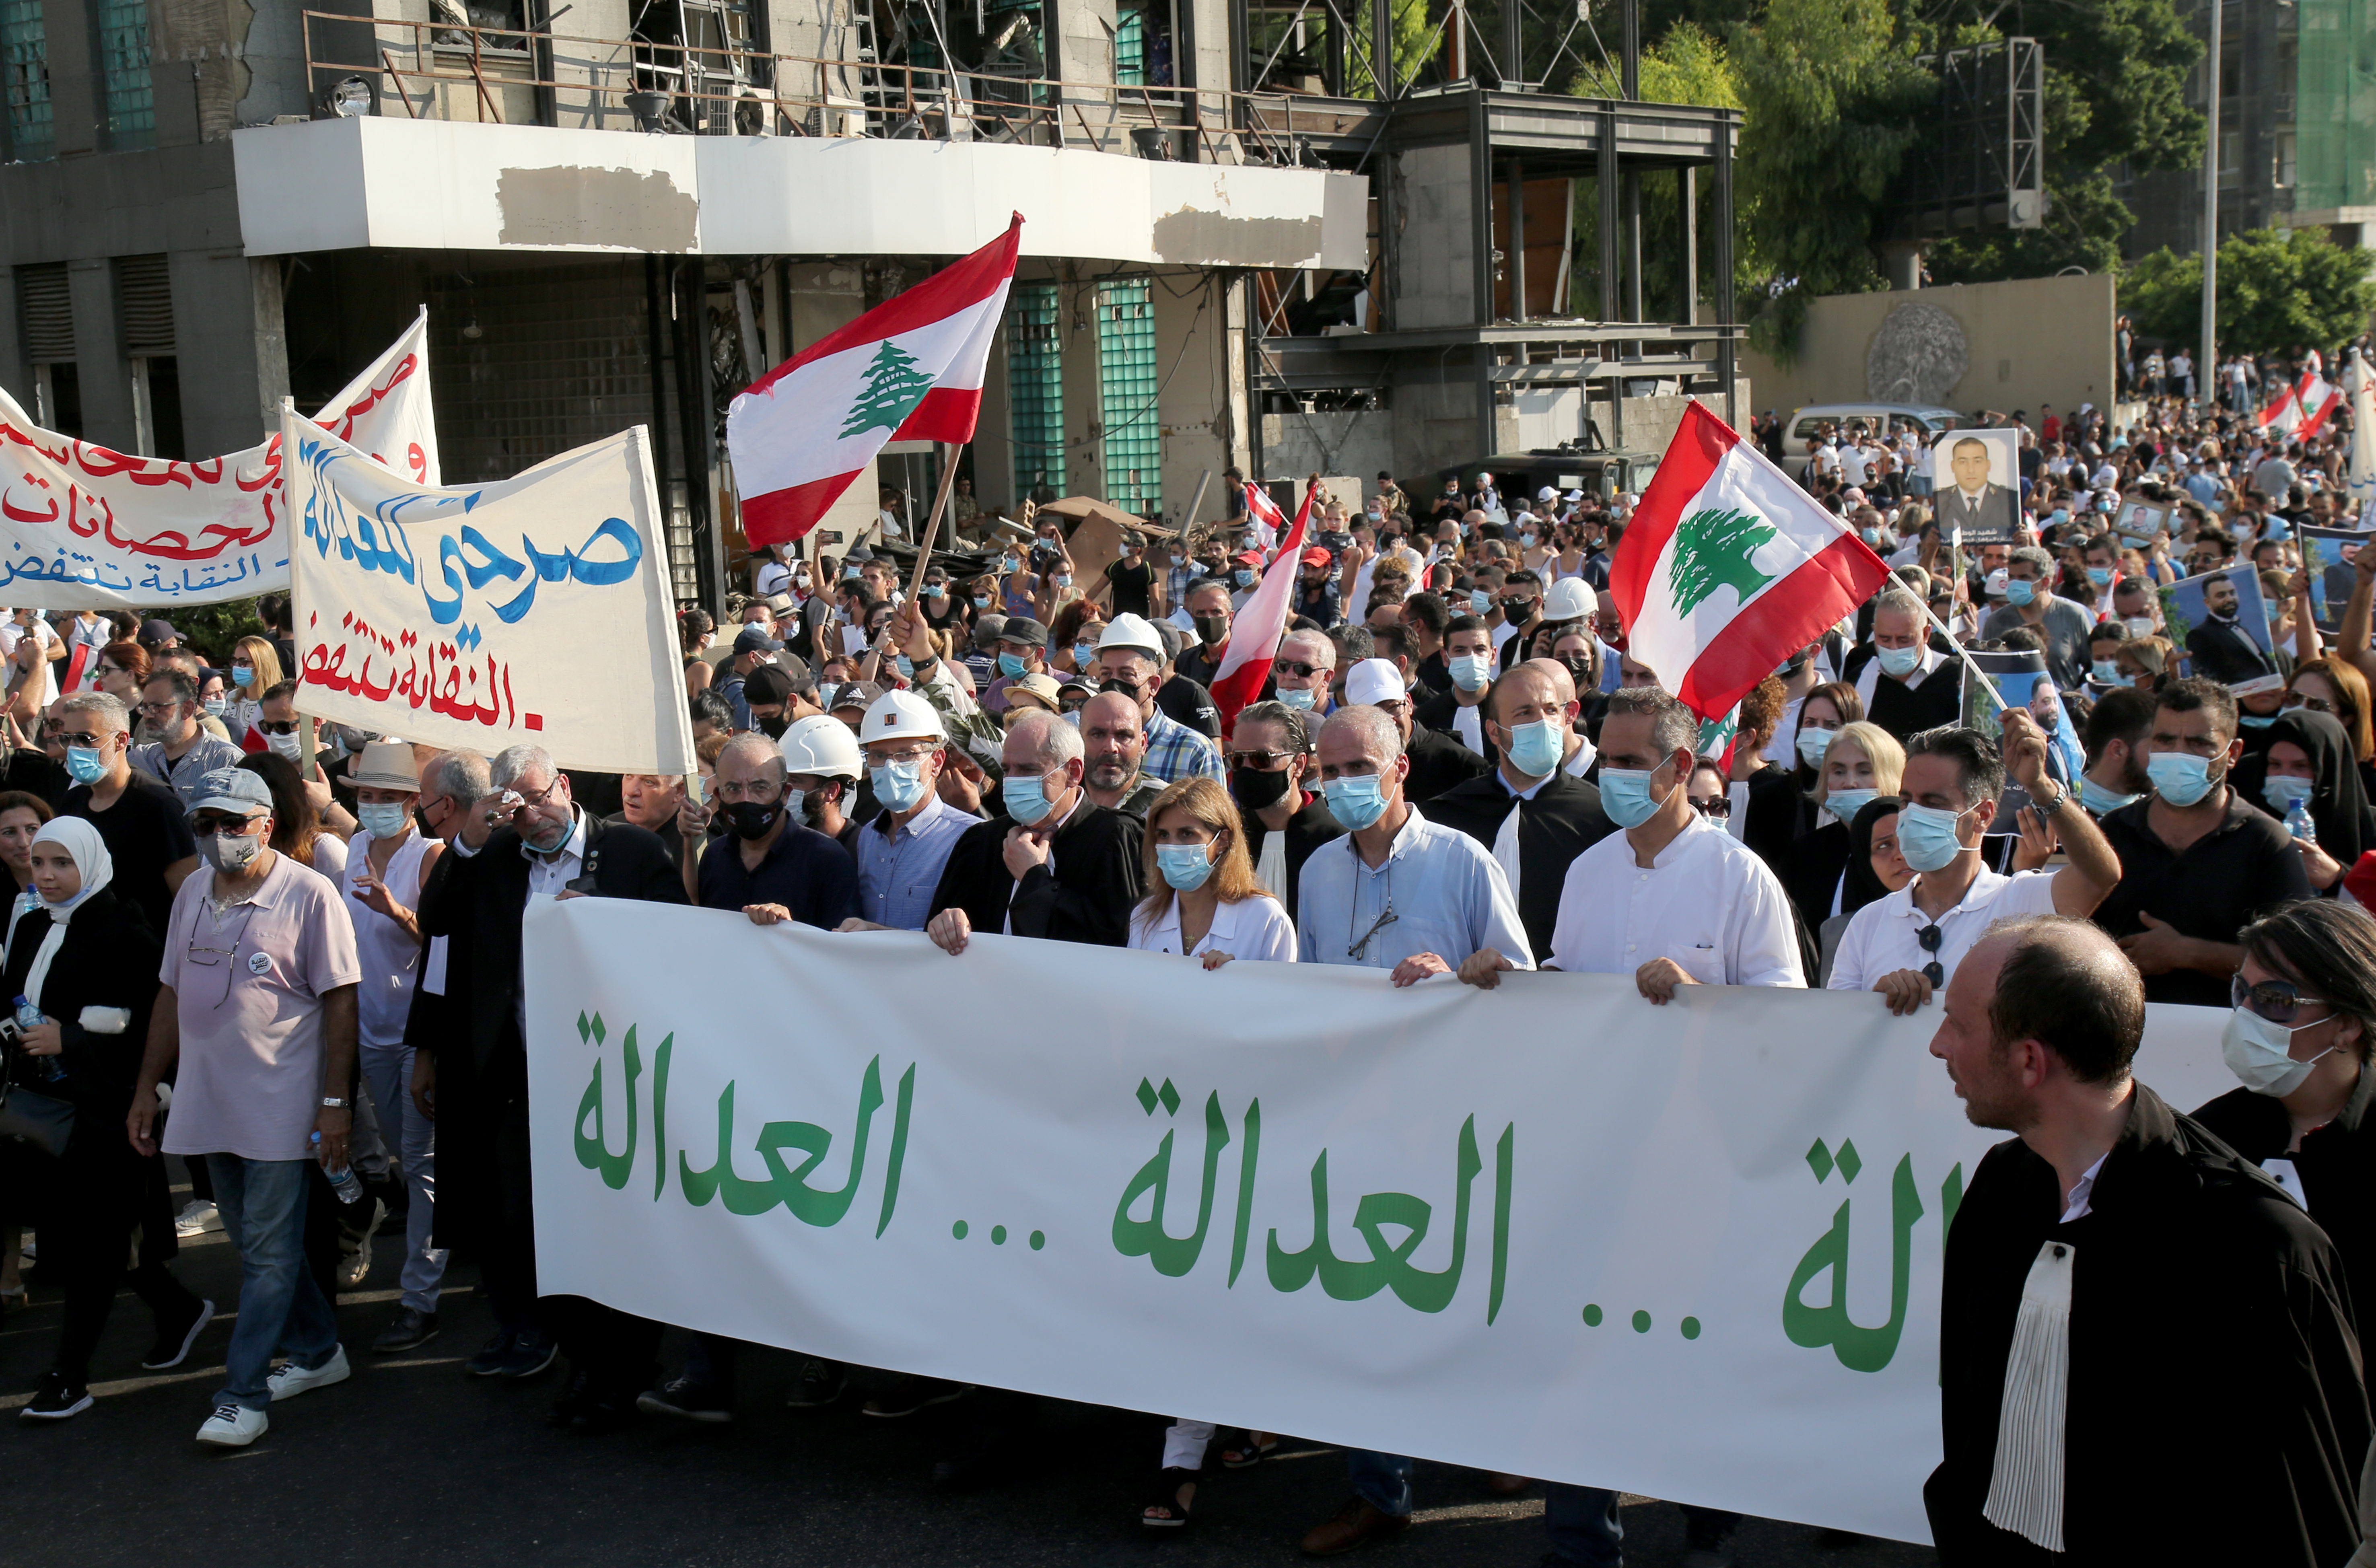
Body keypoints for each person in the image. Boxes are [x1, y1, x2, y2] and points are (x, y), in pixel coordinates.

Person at [1923, 915, 2368, 1565]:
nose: (1938, 1045)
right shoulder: (2001, 1188)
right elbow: (1970, 1411)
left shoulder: (2254, 1246)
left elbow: (2301, 1510)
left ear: (2029, 1059)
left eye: (1958, 1026)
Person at [1292, 702, 1528, 1556]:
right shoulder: (1318, 868)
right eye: (1330, 770)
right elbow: (1303, 989)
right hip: (1354, 1114)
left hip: (1450, 1118)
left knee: (1461, 1288)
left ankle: (1497, 1441)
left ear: (1399, 768)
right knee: (1361, 1298)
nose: (1343, 783)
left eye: (1360, 767)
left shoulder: (1463, 859)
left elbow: (1519, 975)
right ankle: (1377, 1491)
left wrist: (1461, 974)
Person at [408, 744, 686, 1430]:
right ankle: (584, 1358)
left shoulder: (631, 850)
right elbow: (437, 918)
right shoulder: (498, 855)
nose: (530, 817)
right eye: (513, 808)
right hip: (524, 1078)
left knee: (616, 1227)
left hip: (615, 1078)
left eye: (537, 799)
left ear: (563, 784)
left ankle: (626, 1369)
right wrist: (469, 842)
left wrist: (605, 921)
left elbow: (682, 941)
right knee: (525, 1227)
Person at [127, 768, 362, 1448]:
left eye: (232, 823)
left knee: (267, 1253)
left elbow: (342, 1000)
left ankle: (242, 1394)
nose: (218, 836)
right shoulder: (192, 891)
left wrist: (334, 1103)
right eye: (205, 824)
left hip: (280, 1103)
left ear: (266, 823)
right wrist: (146, 1086)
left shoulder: (311, 893)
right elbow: (170, 992)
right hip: (207, 1100)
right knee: (257, 1244)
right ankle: (318, 1349)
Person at [2, 818, 212, 1421]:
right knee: (101, 1236)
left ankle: (69, 1376)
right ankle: (177, 1308)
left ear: (91, 864)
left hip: (109, 1110)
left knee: (92, 1244)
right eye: (40, 863)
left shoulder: (126, 932)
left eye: (61, 863)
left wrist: (69, 1038)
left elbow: (154, 1027)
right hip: (45, 1112)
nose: (46, 875)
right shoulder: (33, 923)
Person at [1828, 717, 2121, 1012]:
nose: (1913, 815)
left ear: (1983, 815)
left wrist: (2041, 786)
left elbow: (2100, 876)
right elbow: (1836, 1024)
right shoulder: (1867, 924)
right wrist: (1876, 1002)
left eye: (1932, 803)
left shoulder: (2022, 903)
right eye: (1906, 802)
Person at [2192, 900, 2376, 1327]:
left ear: (2347, 1024)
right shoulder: (2207, 1139)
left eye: (2275, 999)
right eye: (2241, 991)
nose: (2246, 1014)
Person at [328, 741, 449, 1355]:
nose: (372, 804)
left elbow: (443, 942)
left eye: (385, 796)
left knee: (422, 1162)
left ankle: (419, 1298)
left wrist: (398, 911)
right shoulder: (354, 846)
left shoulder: (430, 855)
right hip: (369, 1027)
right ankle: (454, 1240)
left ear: (410, 801)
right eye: (365, 794)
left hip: (418, 1034)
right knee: (410, 1156)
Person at [2091, 677, 2314, 1006]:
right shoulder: (2114, 831)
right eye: (2165, 740)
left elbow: (2297, 962)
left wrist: (2188, 953)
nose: (2178, 754)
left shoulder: (2265, 842)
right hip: (2122, 1025)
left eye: (2198, 743)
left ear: (2233, 753)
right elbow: (2076, 937)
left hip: (2225, 1029)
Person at [1424, 659, 1614, 962]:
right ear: (1494, 732)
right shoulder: (1449, 816)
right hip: (1468, 981)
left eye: (1551, 710)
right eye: (1525, 713)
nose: (1543, 723)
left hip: (1567, 983)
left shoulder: (1601, 816)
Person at [926, 708, 1143, 951]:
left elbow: (1116, 941)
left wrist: (1034, 880)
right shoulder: (983, 840)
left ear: (1073, 772)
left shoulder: (1116, 839)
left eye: (1028, 770)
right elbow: (949, 924)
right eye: (1007, 770)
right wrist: (947, 924)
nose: (1013, 780)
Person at [679, 732, 859, 931]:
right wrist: (689, 840)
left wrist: (790, 929)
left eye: (760, 788)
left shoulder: (826, 859)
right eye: (733, 789)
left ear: (786, 794)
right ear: (719, 796)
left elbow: (840, 941)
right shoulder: (715, 856)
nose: (746, 799)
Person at [55, 692, 198, 936]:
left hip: (146, 946)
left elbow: (188, 897)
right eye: (68, 739)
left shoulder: (158, 806)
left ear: (121, 741)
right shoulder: (72, 802)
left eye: (85, 739)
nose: (75, 748)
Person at [842, 690, 978, 932]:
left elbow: (969, 937)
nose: (890, 766)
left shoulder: (969, 838)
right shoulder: (868, 837)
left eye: (906, 754)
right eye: (878, 755)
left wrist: (874, 934)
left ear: (937, 762)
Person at [1128, 777, 1295, 965]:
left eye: (1187, 834)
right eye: (1163, 835)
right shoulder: (1144, 917)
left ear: (1222, 841)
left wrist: (1236, 975)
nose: (1172, 846)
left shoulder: (1265, 919)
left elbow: (1281, 983)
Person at [1780, 720, 1905, 940]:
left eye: (1864, 771)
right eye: (1839, 772)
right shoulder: (1804, 853)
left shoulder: (1911, 851)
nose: (1850, 783)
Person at [2231, 707, 2376, 891]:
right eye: (2275, 764)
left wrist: (2338, 878)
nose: (2285, 775)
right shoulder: (2240, 825)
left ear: (2328, 769)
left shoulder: (2369, 828)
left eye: (2301, 766)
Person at [1092, 615, 1224, 786]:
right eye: (1106, 674)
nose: (1114, 683)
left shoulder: (1194, 751)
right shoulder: (1085, 742)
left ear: (1153, 685)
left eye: (1127, 674)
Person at [1343, 657, 1489, 805]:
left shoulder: (1460, 764)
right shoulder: (1349, 769)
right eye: (1375, 714)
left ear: (1409, 703)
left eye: (1394, 708)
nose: (1388, 720)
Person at [1846, 589, 1960, 741]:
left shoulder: (1956, 677)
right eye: (1885, 639)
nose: (1894, 648)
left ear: (1926, 634)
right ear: (1875, 631)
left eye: (1904, 640)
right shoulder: (1858, 681)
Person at [128, 670, 243, 808]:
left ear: (187, 709)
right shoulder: (139, 759)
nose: (147, 715)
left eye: (156, 707)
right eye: (145, 708)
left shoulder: (227, 760)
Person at [2183, 569, 2279, 689]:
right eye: (2221, 596)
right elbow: (2210, 682)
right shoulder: (2199, 635)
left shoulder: (2241, 629)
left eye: (2232, 593)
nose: (2229, 599)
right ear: (2208, 603)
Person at [1079, 691, 1165, 817]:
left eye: (1124, 736)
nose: (1111, 748)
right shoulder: (1058, 800)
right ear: (1077, 741)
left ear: (1143, 744)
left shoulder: (1170, 806)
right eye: (1098, 735)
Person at [2075, 684, 2156, 816]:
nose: (2166, 757)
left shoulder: (2154, 815)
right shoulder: (2059, 817)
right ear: (2118, 750)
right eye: (2156, 747)